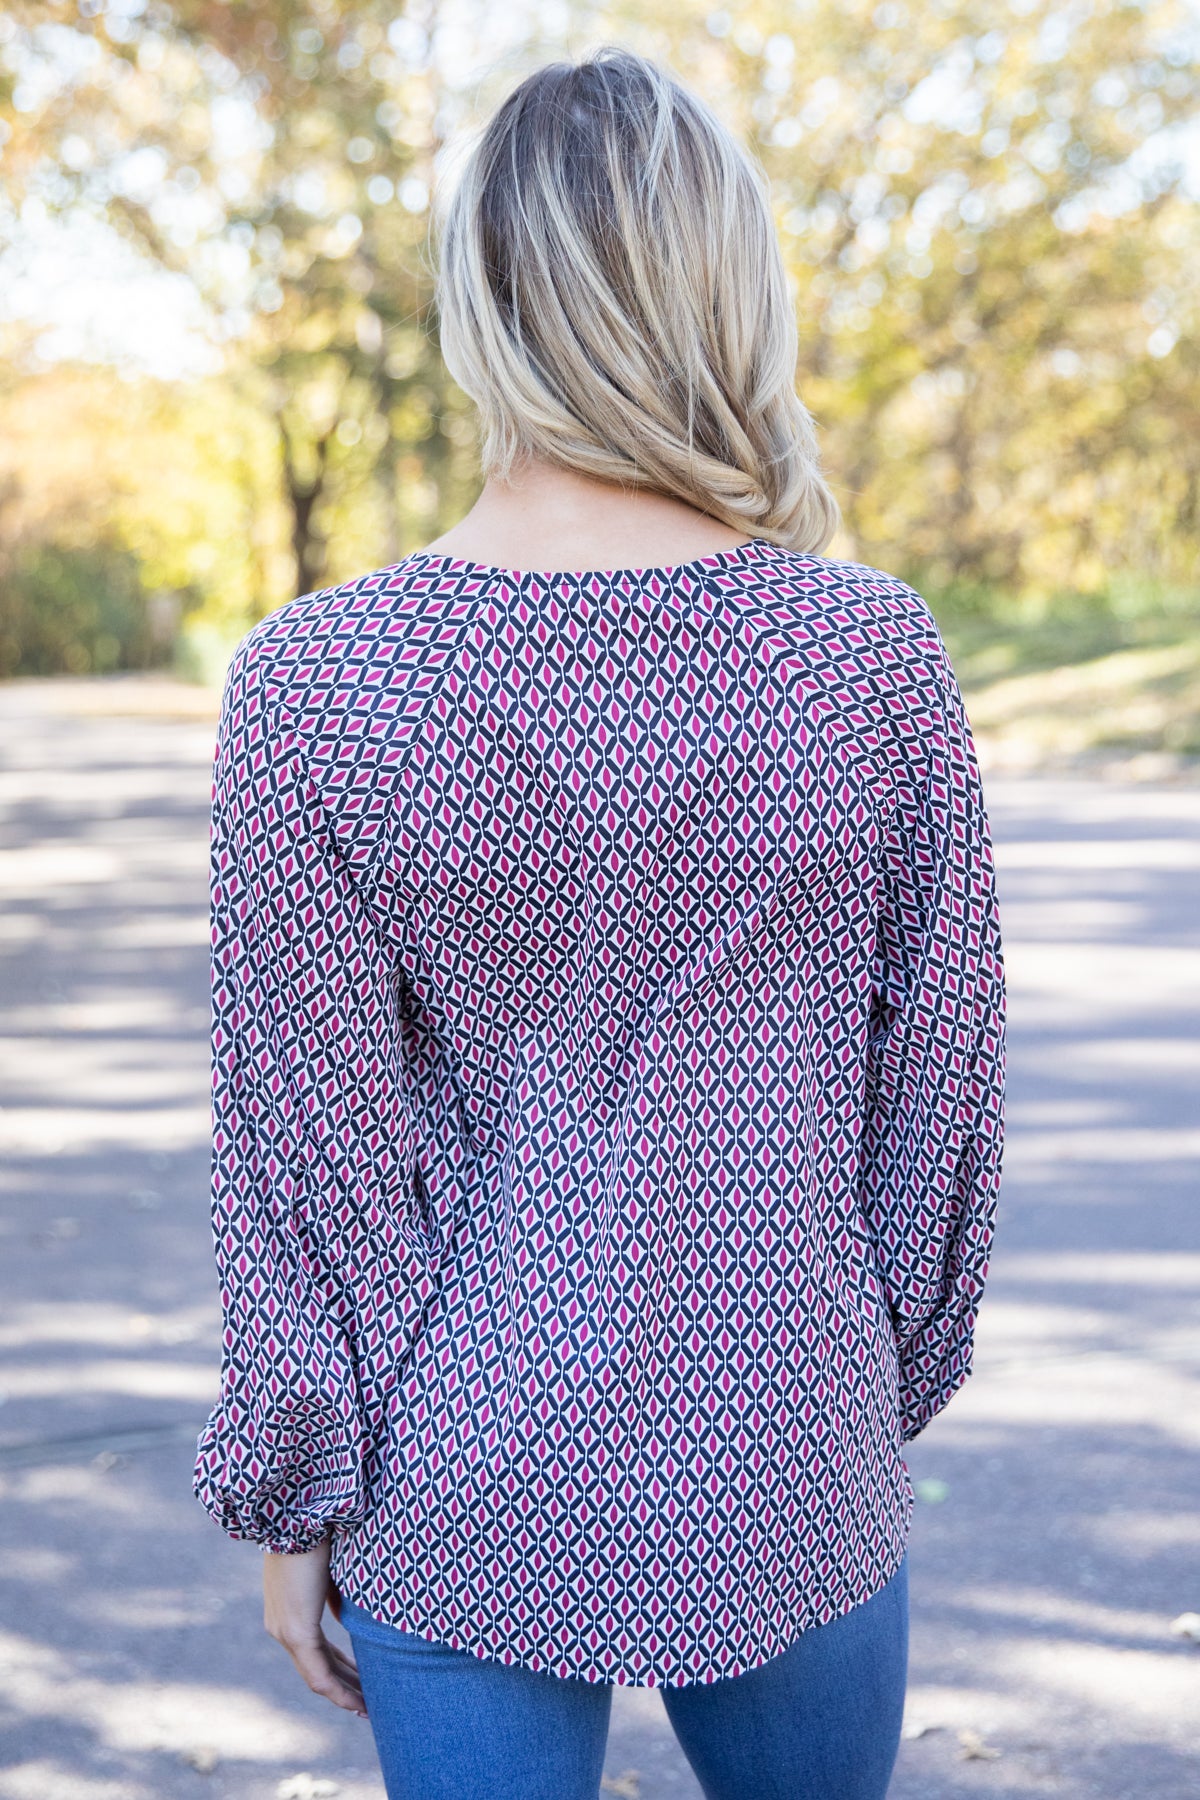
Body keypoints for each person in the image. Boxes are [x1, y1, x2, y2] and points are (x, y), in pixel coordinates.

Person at [193, 46, 1005, 1800]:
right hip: (788, 1419)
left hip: (462, 1447)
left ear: (483, 301)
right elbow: (936, 1095)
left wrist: (300, 1487)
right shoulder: (869, 656)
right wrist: (873, 1373)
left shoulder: (315, 681)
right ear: (731, 290)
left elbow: (312, 1148)